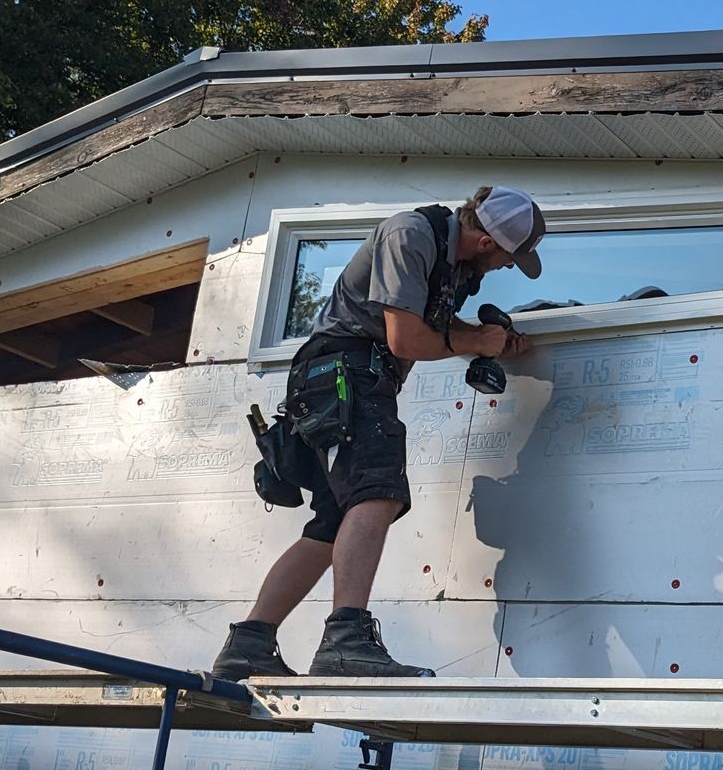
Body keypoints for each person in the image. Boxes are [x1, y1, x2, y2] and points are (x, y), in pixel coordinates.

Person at [211, 186, 547, 681]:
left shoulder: (447, 264)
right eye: (507, 261)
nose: (502, 270)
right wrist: (476, 339)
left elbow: (424, 322)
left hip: (350, 378)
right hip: (346, 372)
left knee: (333, 524)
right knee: (378, 493)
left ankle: (248, 645)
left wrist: (487, 342)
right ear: (485, 244)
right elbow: (405, 338)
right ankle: (346, 641)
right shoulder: (411, 235)